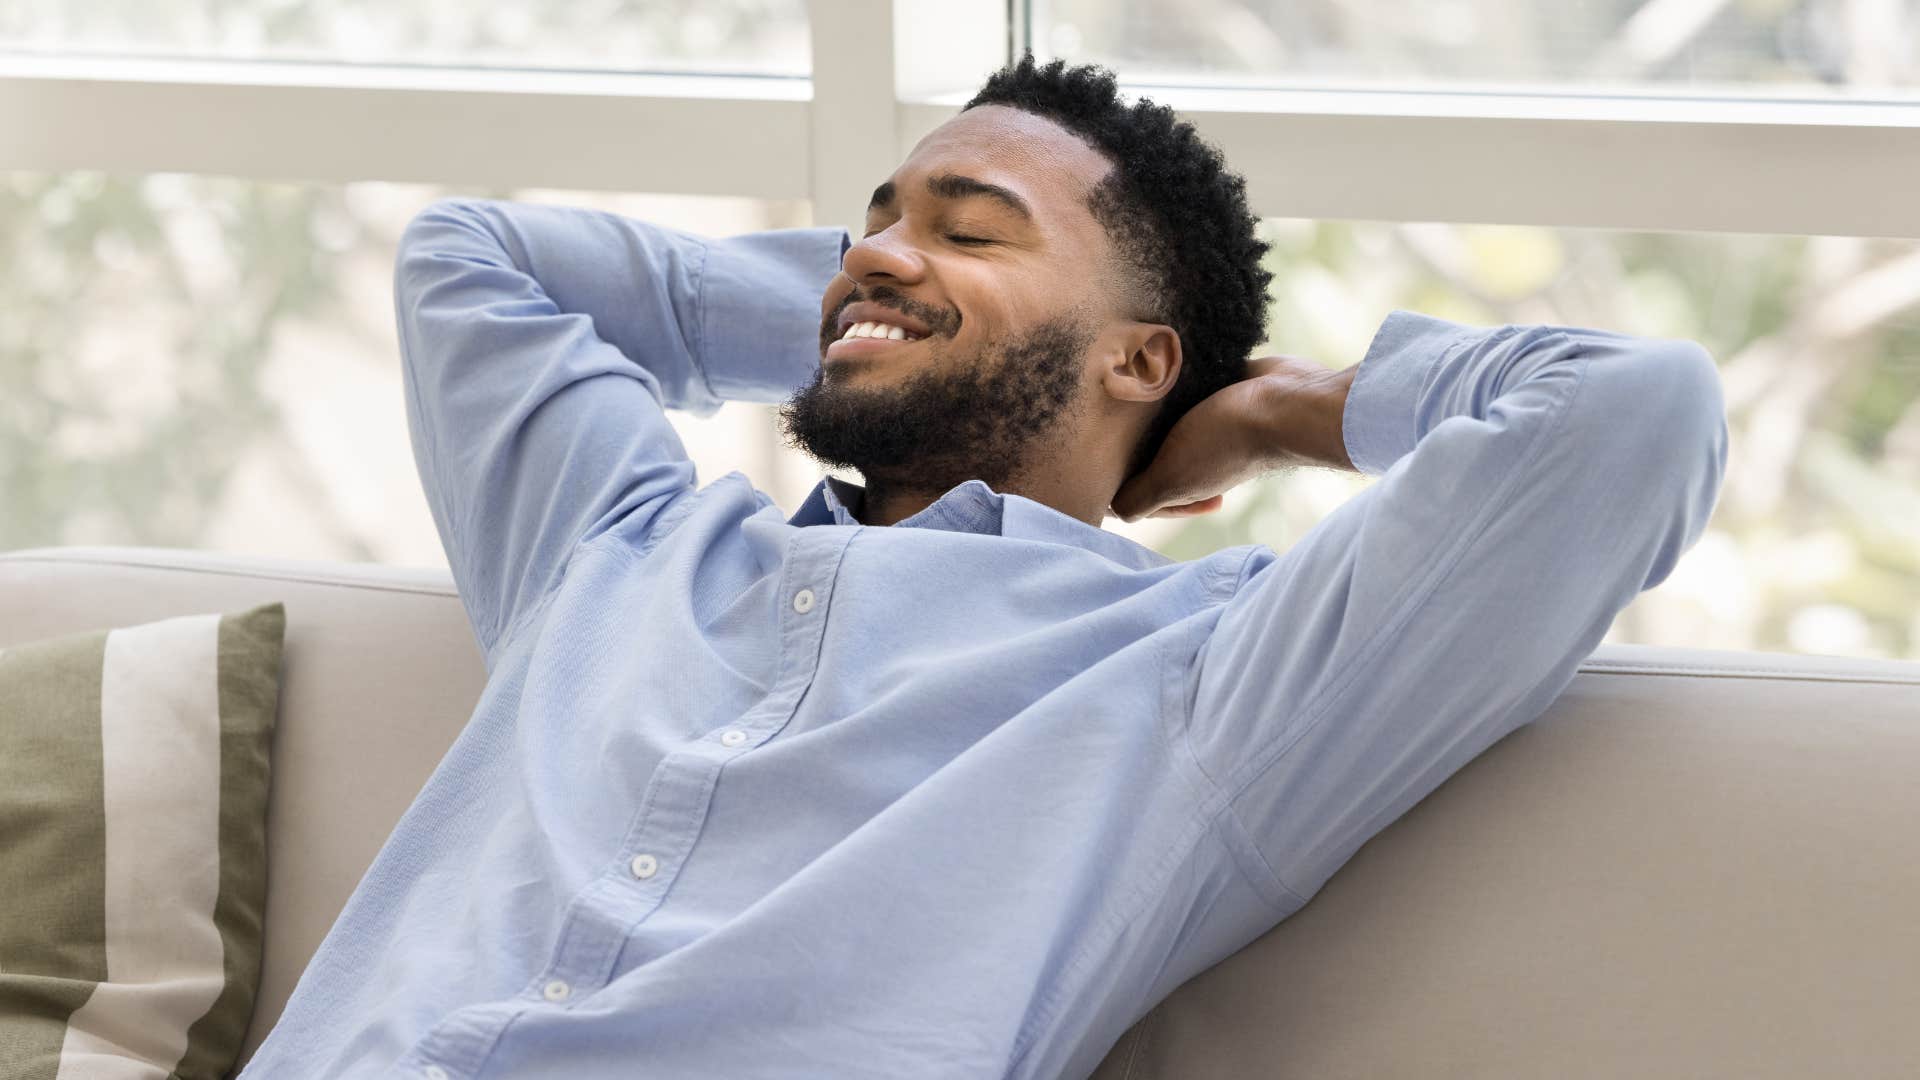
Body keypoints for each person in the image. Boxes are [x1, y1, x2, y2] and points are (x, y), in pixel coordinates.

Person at [239, 53, 1727, 1080]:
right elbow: (472, 260)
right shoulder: (619, 550)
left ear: (1143, 356)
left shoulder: (1202, 682)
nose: (873, 252)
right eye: (874, 218)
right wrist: (898, 309)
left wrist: (1272, 408)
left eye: (971, 229)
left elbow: (1632, 419)